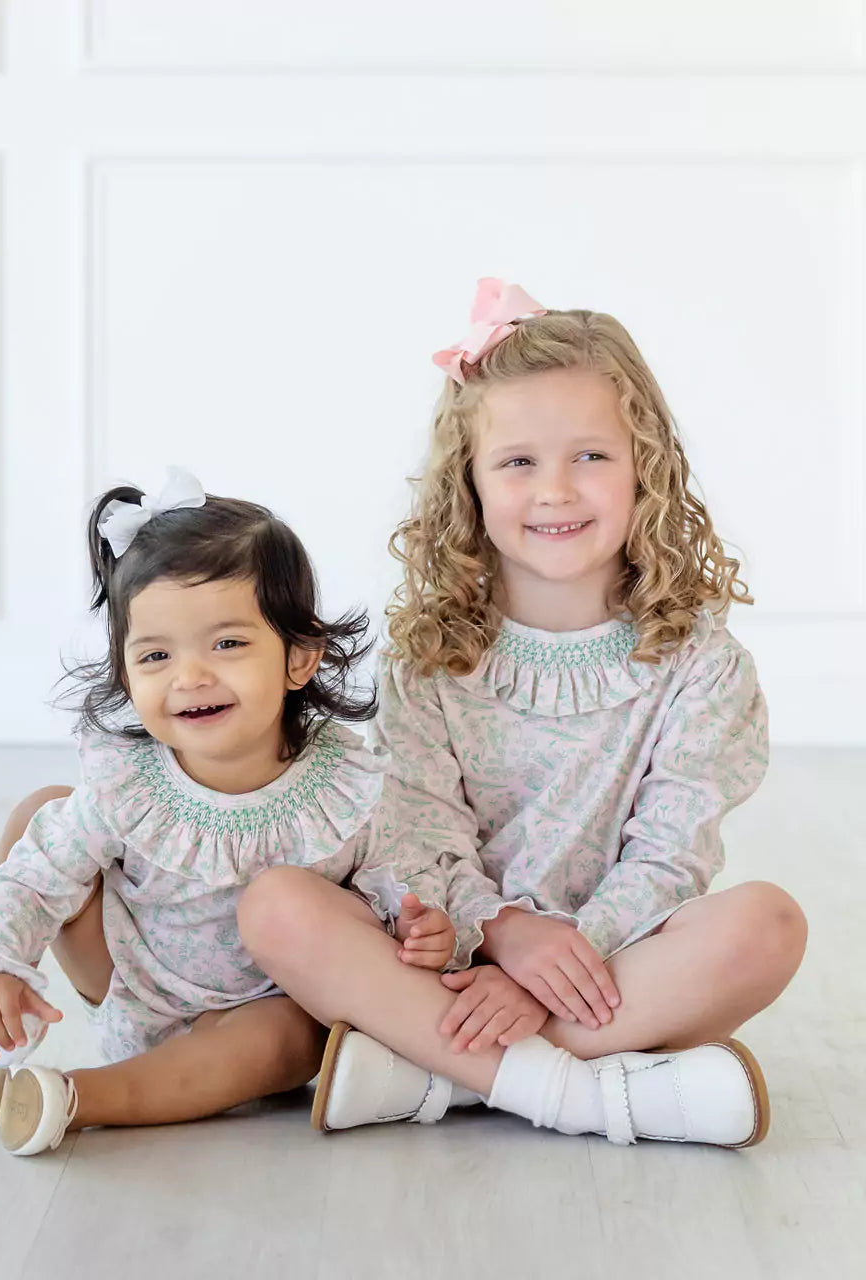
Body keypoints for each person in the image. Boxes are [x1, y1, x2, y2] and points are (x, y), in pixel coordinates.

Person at [236, 280, 808, 1148]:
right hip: (448, 958)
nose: (555, 491)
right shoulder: (431, 654)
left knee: (768, 924)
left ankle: (441, 1075)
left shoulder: (701, 664)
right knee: (278, 905)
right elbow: (415, 832)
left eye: (590, 456)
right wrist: (503, 934)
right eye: (518, 462)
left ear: (644, 466)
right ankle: (578, 1091)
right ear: (468, 481)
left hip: (609, 963)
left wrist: (552, 967)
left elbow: (670, 853)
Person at [0, 467, 455, 1156]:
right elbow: (26, 885)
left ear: (299, 657)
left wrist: (423, 925)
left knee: (292, 1035)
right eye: (156, 655)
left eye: (227, 644)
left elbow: (398, 879)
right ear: (125, 671)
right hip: (131, 987)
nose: (189, 676)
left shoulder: (346, 779)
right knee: (42, 814)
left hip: (258, 1018)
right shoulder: (128, 784)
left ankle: (75, 1094)